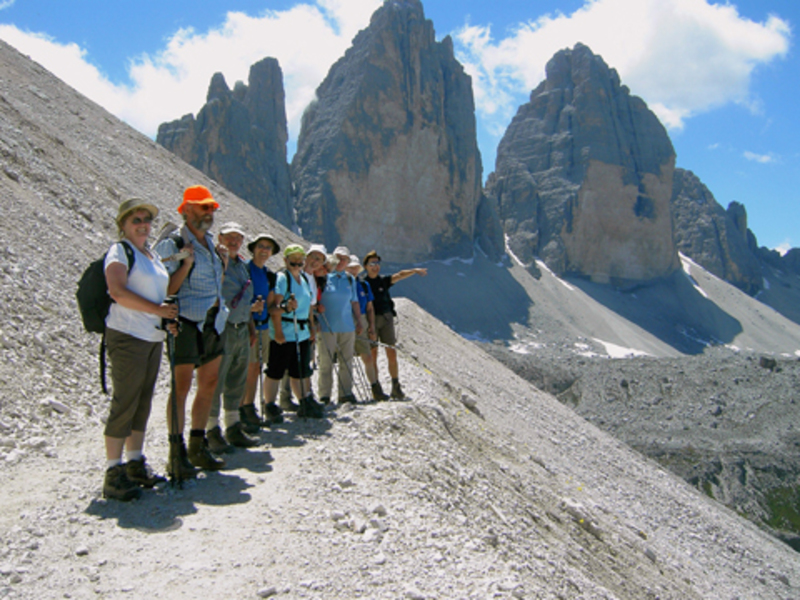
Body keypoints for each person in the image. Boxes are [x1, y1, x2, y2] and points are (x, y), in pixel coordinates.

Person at [103, 197, 178, 501]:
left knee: (143, 400)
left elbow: (159, 296)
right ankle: (113, 471)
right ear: (123, 225)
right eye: (136, 219)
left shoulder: (152, 256)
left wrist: (166, 319)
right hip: (127, 333)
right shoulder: (119, 251)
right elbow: (118, 292)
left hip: (150, 336)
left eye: (146, 219)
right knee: (126, 400)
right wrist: (158, 311)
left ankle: (135, 462)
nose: (143, 224)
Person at [154, 185, 229, 476]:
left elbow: (215, 283)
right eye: (202, 207)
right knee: (181, 387)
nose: (208, 213)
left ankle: (198, 445)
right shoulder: (172, 244)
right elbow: (163, 291)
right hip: (184, 321)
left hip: (212, 320)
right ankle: (176, 453)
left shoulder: (211, 243)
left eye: (210, 208)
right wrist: (184, 266)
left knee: (208, 383)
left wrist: (221, 265)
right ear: (185, 209)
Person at [205, 222, 262, 453]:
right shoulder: (216, 260)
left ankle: (232, 426)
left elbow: (244, 300)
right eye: (229, 238)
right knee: (216, 380)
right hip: (223, 327)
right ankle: (210, 429)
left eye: (237, 239)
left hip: (241, 327)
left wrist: (250, 327)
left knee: (236, 379)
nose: (233, 242)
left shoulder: (241, 266)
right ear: (220, 237)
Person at [263, 245, 323, 418]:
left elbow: (309, 307)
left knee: (301, 370)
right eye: (293, 260)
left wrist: (312, 327)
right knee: (275, 370)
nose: (297, 263)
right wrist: (279, 332)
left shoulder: (303, 278)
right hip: (285, 332)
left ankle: (304, 400)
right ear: (286, 260)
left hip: (302, 332)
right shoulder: (282, 278)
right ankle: (270, 405)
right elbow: (274, 308)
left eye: (299, 260)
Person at [362, 250, 427, 399]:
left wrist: (414, 271)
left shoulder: (383, 281)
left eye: (377, 263)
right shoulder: (363, 284)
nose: (375, 266)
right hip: (371, 321)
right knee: (373, 354)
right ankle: (376, 388)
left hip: (386, 318)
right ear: (365, 266)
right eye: (372, 263)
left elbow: (399, 275)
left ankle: (395, 386)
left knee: (391, 352)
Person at [242, 233, 281, 431]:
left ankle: (249, 407)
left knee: (256, 367)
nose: (264, 250)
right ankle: (243, 409)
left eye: (268, 247)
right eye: (261, 246)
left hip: (263, 326)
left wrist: (287, 308)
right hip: (248, 325)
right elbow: (237, 298)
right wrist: (250, 310)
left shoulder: (268, 275)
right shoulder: (244, 270)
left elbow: (272, 304)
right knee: (248, 367)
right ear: (254, 248)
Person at [317, 246, 362, 405]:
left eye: (344, 259)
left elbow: (354, 301)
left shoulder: (350, 279)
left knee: (347, 361)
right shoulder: (322, 277)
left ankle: (345, 393)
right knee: (326, 362)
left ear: (348, 261)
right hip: (326, 325)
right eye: (338, 258)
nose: (341, 261)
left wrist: (359, 321)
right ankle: (324, 396)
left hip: (347, 326)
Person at [346, 255, 388, 401]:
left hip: (362, 321)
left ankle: (375, 387)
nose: (353, 271)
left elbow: (370, 308)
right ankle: (345, 392)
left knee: (367, 356)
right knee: (347, 358)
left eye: (355, 268)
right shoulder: (341, 284)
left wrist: (371, 327)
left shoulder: (364, 285)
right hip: (344, 321)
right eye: (350, 268)